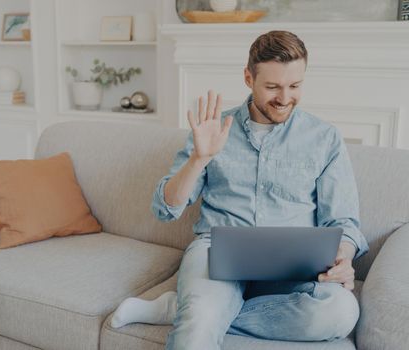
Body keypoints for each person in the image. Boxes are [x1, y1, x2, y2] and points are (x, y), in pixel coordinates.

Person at [110, 30, 369, 350]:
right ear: (249, 77)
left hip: (293, 265)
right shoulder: (213, 129)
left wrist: (341, 257)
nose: (285, 97)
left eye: (295, 86)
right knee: (199, 325)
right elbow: (165, 209)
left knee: (341, 311)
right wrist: (198, 159)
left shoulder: (325, 138)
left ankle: (180, 309)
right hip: (218, 250)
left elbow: (344, 224)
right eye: (273, 86)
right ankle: (199, 312)